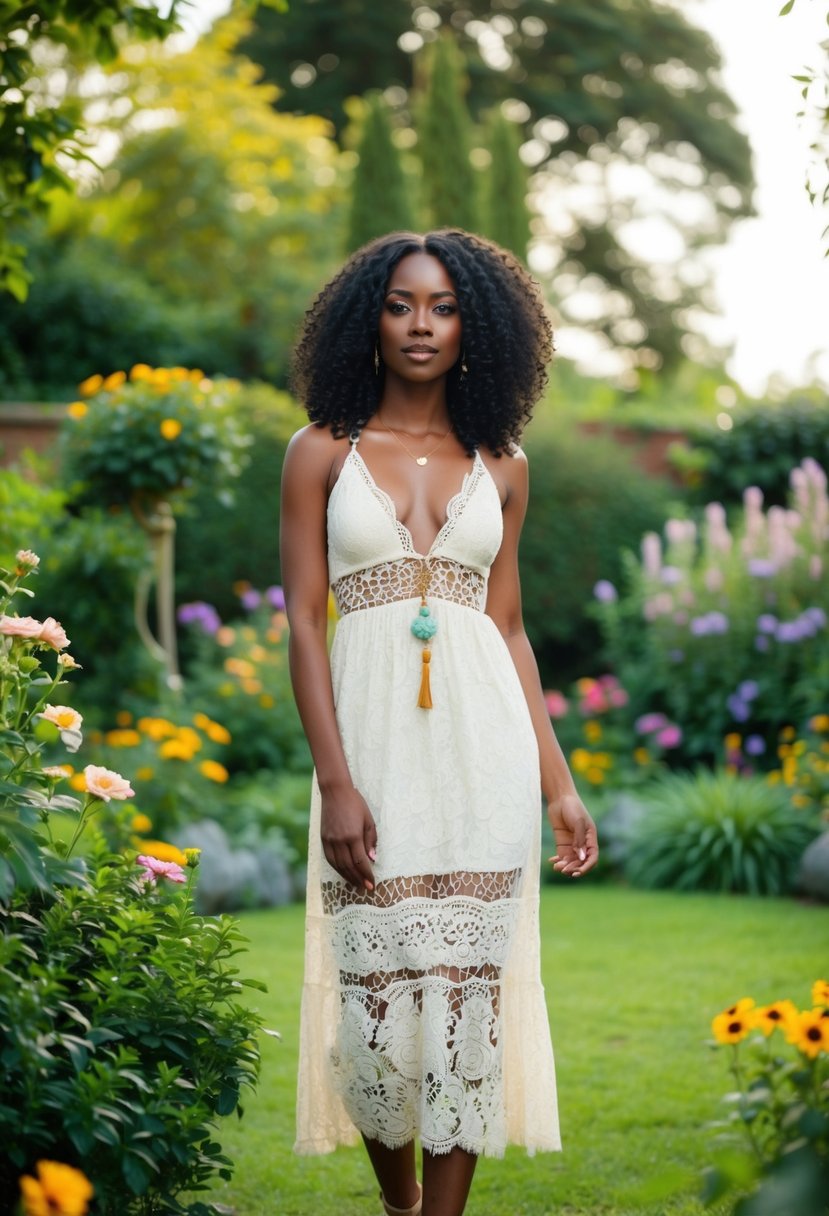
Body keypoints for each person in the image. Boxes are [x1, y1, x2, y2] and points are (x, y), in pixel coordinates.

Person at [280, 228, 598, 1216]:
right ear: (368, 319)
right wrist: (336, 781)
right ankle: (401, 1203)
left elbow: (506, 626)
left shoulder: (502, 464)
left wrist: (557, 781)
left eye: (446, 306)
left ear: (478, 328)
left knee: (467, 1000)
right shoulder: (320, 451)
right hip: (370, 749)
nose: (422, 325)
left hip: (484, 755)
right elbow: (300, 615)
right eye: (403, 304)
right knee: (372, 1012)